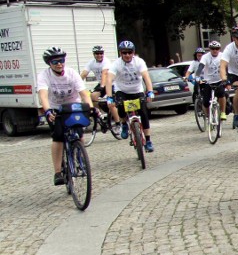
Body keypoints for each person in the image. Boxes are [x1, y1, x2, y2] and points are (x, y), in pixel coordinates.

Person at [37, 47, 94, 185]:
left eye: (61, 60)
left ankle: (79, 157)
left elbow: (84, 93)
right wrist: (48, 110)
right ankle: (57, 172)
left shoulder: (71, 73)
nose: (59, 64)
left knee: (79, 135)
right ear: (49, 63)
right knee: (58, 137)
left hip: (73, 107)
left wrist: (91, 108)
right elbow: (43, 95)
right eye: (55, 61)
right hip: (55, 109)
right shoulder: (44, 75)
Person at [103, 40, 156, 152]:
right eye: (124, 52)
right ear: (120, 53)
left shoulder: (139, 62)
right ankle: (124, 124)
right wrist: (109, 96)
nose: (127, 55)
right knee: (120, 107)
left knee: (144, 113)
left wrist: (150, 91)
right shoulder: (116, 64)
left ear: (133, 52)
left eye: (129, 52)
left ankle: (148, 140)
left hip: (137, 90)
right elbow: (109, 79)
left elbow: (146, 77)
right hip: (122, 90)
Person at [82, 45, 118, 123]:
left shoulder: (106, 61)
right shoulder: (91, 62)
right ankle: (100, 113)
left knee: (111, 104)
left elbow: (104, 74)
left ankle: (118, 123)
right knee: (91, 97)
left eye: (101, 53)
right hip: (101, 84)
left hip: (111, 84)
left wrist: (101, 87)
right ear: (94, 54)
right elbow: (84, 74)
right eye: (97, 53)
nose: (99, 55)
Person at [197, 41, 227, 122]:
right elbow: (201, 66)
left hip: (219, 80)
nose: (215, 50)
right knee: (206, 102)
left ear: (219, 49)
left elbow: (228, 66)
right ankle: (208, 116)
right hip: (208, 81)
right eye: (213, 49)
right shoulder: (205, 57)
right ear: (210, 49)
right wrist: (197, 76)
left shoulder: (222, 55)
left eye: (217, 49)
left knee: (221, 94)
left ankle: (223, 112)